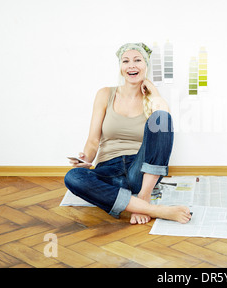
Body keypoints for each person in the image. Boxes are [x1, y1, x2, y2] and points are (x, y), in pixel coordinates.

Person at [64, 42, 191, 224]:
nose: (131, 65)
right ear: (121, 67)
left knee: (161, 118)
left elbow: (164, 123)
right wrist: (86, 160)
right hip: (108, 172)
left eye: (137, 60)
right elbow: (93, 140)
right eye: (126, 61)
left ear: (146, 65)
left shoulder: (152, 100)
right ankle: (155, 210)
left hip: (140, 172)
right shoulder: (105, 94)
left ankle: (144, 197)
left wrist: (152, 90)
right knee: (73, 177)